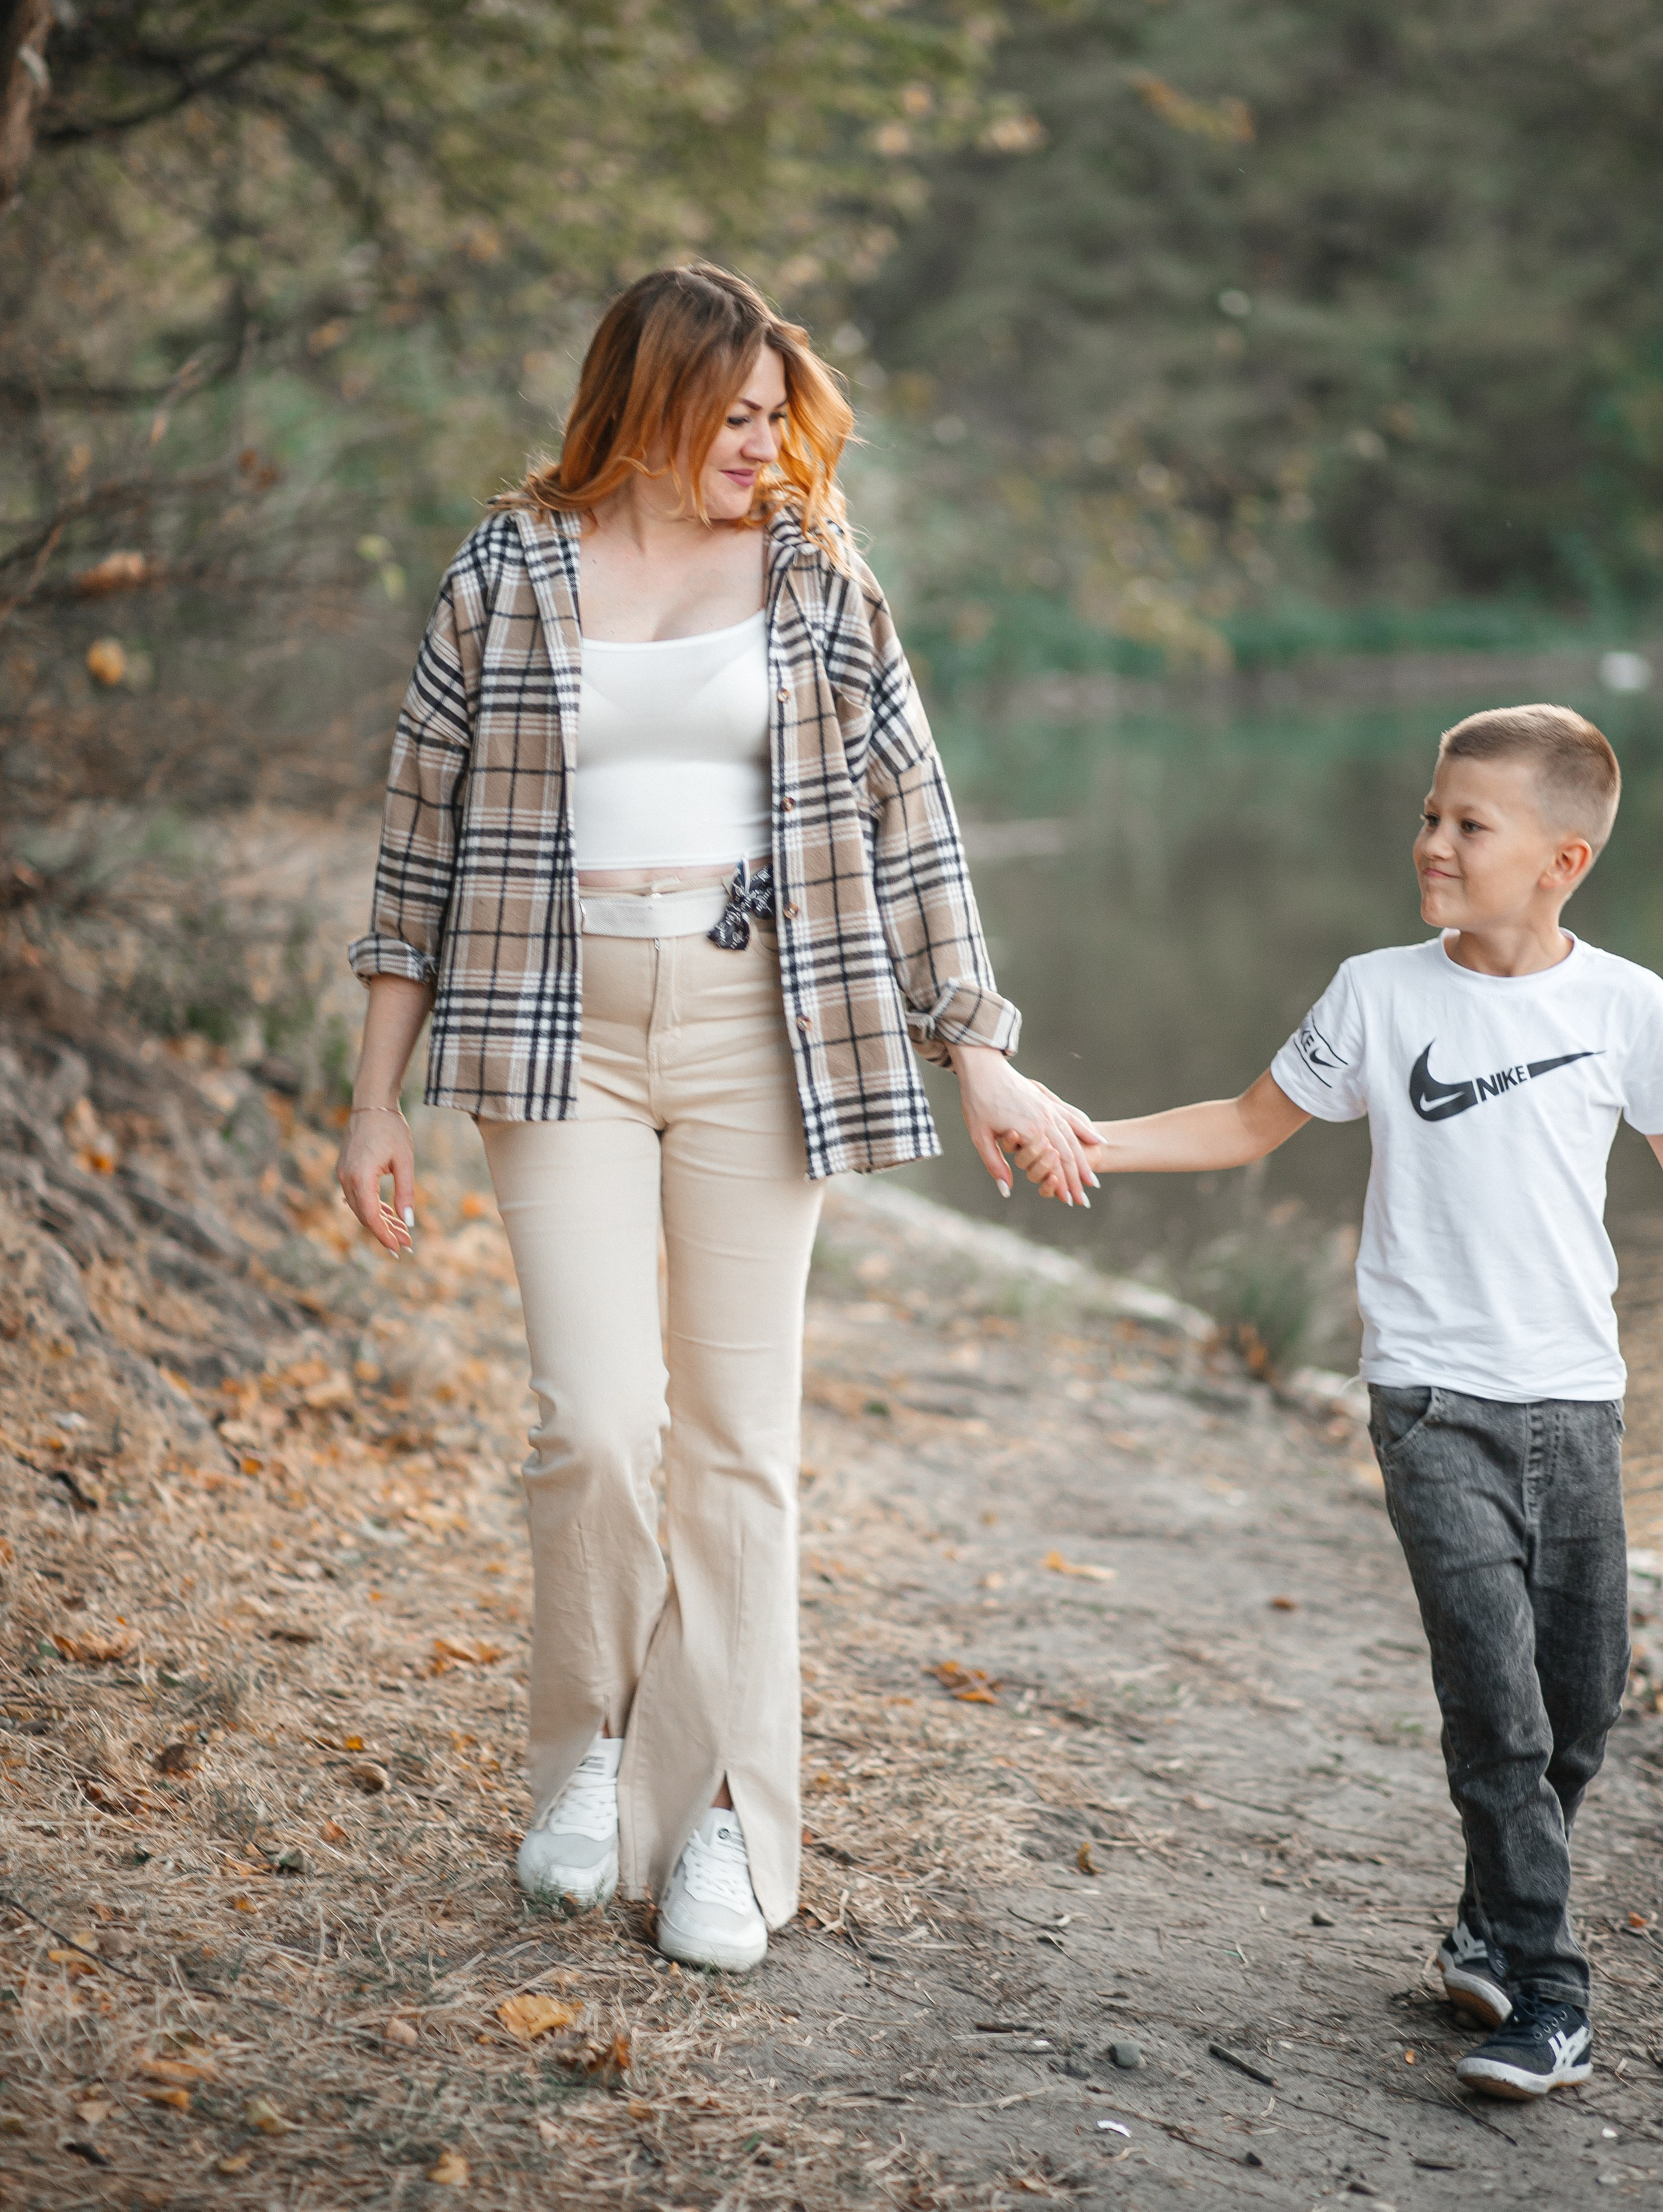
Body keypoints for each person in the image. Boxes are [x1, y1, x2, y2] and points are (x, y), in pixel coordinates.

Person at [335, 262, 1097, 1973]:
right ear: (646, 404)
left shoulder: (816, 578)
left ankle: (735, 1823)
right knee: (597, 1426)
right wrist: (373, 1097)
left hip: (765, 1029)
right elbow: (416, 841)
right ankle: (592, 1758)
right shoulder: (506, 570)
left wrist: (975, 1046)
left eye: (773, 414)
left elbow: (912, 822)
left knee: (738, 1446)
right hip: (556, 1031)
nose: (760, 443)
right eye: (729, 415)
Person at [1013, 703, 1660, 2101]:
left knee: (1578, 1704)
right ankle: (1548, 1992)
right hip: (1429, 1402)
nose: (1431, 841)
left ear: (1563, 860)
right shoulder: (1377, 993)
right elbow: (1249, 1123)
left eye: (1467, 824)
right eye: (1429, 814)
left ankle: (1490, 1919)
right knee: (1496, 1705)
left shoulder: (1627, 1008)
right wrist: (1086, 1137)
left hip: (1574, 1403)